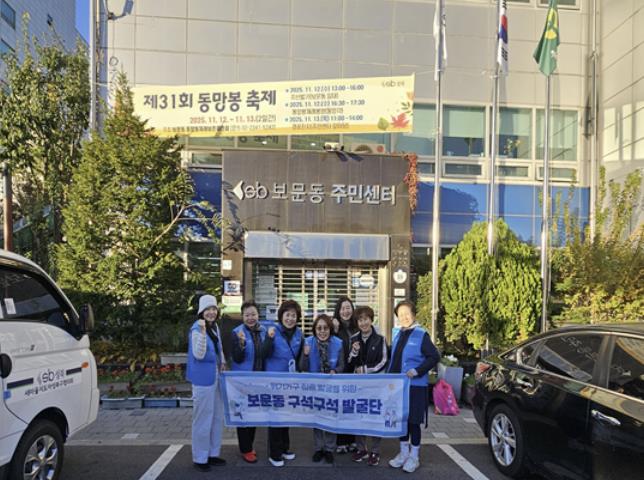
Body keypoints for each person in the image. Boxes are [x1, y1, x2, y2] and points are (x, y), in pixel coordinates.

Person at [387, 300, 440, 473]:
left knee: (414, 422)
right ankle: (403, 453)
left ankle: (414, 457)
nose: (404, 317)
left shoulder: (421, 334)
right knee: (402, 420)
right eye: (400, 314)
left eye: (407, 313)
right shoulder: (398, 334)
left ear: (414, 314)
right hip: (398, 387)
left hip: (415, 386)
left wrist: (418, 370)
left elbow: (434, 357)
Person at [186, 295, 227, 472]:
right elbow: (199, 354)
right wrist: (203, 332)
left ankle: (213, 453)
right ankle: (200, 458)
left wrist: (223, 361)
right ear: (201, 312)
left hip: (216, 376)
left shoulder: (214, 327)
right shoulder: (197, 329)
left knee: (217, 417)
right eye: (208, 309)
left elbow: (219, 348)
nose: (211, 312)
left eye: (214, 309)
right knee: (202, 419)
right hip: (202, 379)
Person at [231, 300, 275, 463]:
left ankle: (249, 445)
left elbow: (266, 354)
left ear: (258, 315)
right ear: (242, 316)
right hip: (242, 381)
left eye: (253, 314)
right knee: (243, 414)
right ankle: (246, 449)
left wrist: (269, 339)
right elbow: (237, 358)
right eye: (247, 315)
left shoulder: (264, 331)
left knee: (254, 413)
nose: (250, 318)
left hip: (259, 380)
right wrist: (241, 344)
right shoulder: (237, 332)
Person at [299, 314, 344, 464]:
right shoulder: (308, 342)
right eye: (319, 328)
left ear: (330, 329)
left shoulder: (338, 343)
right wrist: (305, 355)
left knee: (331, 417)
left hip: (332, 387)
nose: (322, 331)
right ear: (314, 330)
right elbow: (302, 367)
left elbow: (342, 365)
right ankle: (318, 448)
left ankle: (329, 449)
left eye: (325, 328)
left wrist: (335, 371)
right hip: (315, 388)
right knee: (317, 418)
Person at [346, 306, 388, 466]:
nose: (363, 323)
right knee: (359, 416)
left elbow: (384, 361)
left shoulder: (380, 339)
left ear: (371, 320)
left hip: (376, 385)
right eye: (360, 320)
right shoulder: (353, 339)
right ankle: (361, 449)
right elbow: (349, 362)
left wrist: (366, 369)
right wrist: (354, 352)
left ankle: (375, 451)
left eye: (366, 319)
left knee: (375, 416)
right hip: (358, 386)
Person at [264, 299, 304, 467]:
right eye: (287, 315)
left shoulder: (299, 334)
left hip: (290, 381)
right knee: (275, 417)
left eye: (293, 315)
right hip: (274, 381)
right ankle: (274, 453)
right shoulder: (272, 331)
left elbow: (300, 358)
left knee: (286, 415)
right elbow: (264, 354)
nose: (290, 319)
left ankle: (284, 448)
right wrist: (269, 339)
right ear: (281, 316)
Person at [331, 296, 358, 453]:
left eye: (348, 308)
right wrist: (334, 330)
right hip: (340, 372)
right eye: (342, 308)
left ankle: (352, 440)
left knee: (352, 408)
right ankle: (341, 441)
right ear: (338, 311)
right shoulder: (334, 327)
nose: (346, 311)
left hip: (354, 374)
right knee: (340, 407)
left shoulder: (357, 326)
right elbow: (329, 345)